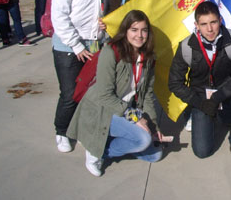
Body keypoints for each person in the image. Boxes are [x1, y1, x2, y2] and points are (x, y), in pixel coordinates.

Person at [67, 10, 163, 177]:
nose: (139, 35)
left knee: (155, 155)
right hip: (103, 110)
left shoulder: (149, 58)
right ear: (125, 31)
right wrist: (135, 117)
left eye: (144, 30)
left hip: (125, 109)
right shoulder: (111, 52)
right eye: (134, 30)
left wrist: (153, 125)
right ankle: (97, 151)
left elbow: (147, 94)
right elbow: (104, 95)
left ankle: (111, 142)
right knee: (143, 140)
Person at [168, 1, 231, 161]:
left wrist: (218, 96)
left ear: (220, 20)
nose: (209, 29)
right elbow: (175, 83)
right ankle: (204, 114)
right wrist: (198, 102)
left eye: (213, 22)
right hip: (201, 97)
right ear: (196, 25)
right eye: (204, 24)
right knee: (202, 152)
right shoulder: (186, 47)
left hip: (226, 91)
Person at [50, 0, 109, 153]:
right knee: (70, 94)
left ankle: (82, 128)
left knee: (88, 93)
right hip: (68, 46)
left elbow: (101, 12)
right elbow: (59, 17)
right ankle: (61, 130)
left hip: (94, 44)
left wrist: (105, 26)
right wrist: (76, 45)